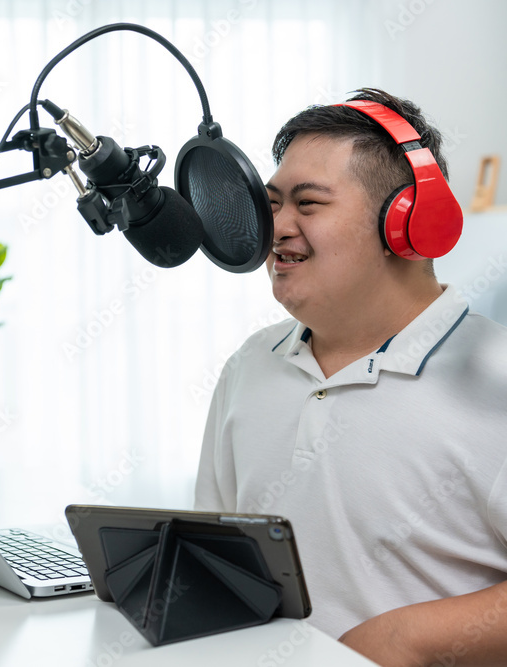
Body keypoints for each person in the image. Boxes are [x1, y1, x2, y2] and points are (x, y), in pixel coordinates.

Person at [194, 88, 507, 667]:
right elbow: (216, 565)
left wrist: (402, 638)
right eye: (271, 204)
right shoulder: (248, 367)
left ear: (410, 223)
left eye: (307, 204)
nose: (274, 228)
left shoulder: (496, 380)